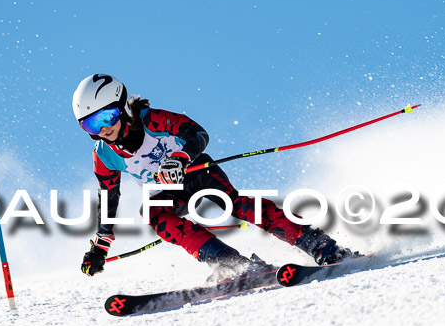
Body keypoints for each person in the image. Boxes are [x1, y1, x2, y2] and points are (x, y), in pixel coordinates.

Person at [72, 74, 357, 280]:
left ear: (122, 108)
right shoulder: (104, 156)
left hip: (196, 171)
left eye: (106, 117)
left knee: (236, 205)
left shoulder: (152, 120)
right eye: (90, 124)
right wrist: (100, 245)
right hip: (164, 191)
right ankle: (231, 264)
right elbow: (109, 199)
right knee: (153, 213)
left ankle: (318, 244)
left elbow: (198, 134)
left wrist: (180, 158)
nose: (102, 129)